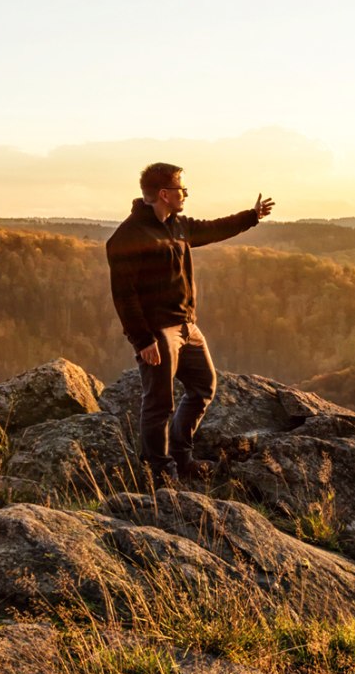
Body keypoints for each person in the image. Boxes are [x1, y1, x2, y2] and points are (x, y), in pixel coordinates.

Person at [106, 161, 273, 480]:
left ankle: (182, 460)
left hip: (187, 326)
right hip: (158, 332)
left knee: (203, 386)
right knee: (159, 403)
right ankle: (159, 471)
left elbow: (214, 228)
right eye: (182, 189)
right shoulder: (127, 237)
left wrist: (251, 216)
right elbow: (123, 296)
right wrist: (143, 341)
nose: (186, 194)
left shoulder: (178, 225)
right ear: (165, 194)